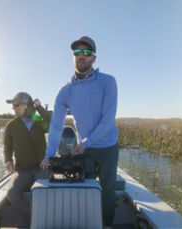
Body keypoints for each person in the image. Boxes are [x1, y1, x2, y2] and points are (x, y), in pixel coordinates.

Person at [39, 36, 119, 227]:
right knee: (87, 186)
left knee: (108, 189)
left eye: (86, 52)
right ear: (72, 57)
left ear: (94, 58)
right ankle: (90, 222)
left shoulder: (108, 82)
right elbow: (57, 126)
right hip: (86, 148)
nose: (81, 56)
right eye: (77, 53)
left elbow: (108, 121)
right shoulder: (65, 91)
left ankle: (106, 224)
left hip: (107, 146)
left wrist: (85, 143)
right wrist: (48, 155)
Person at [3, 92, 51, 226]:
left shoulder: (39, 123)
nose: (13, 108)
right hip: (22, 170)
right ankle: (32, 218)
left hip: (41, 168)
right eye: (13, 105)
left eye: (16, 105)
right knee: (12, 194)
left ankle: (45, 218)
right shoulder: (11, 126)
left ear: (27, 107)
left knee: (45, 193)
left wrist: (39, 108)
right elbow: (7, 146)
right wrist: (8, 160)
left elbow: (51, 123)